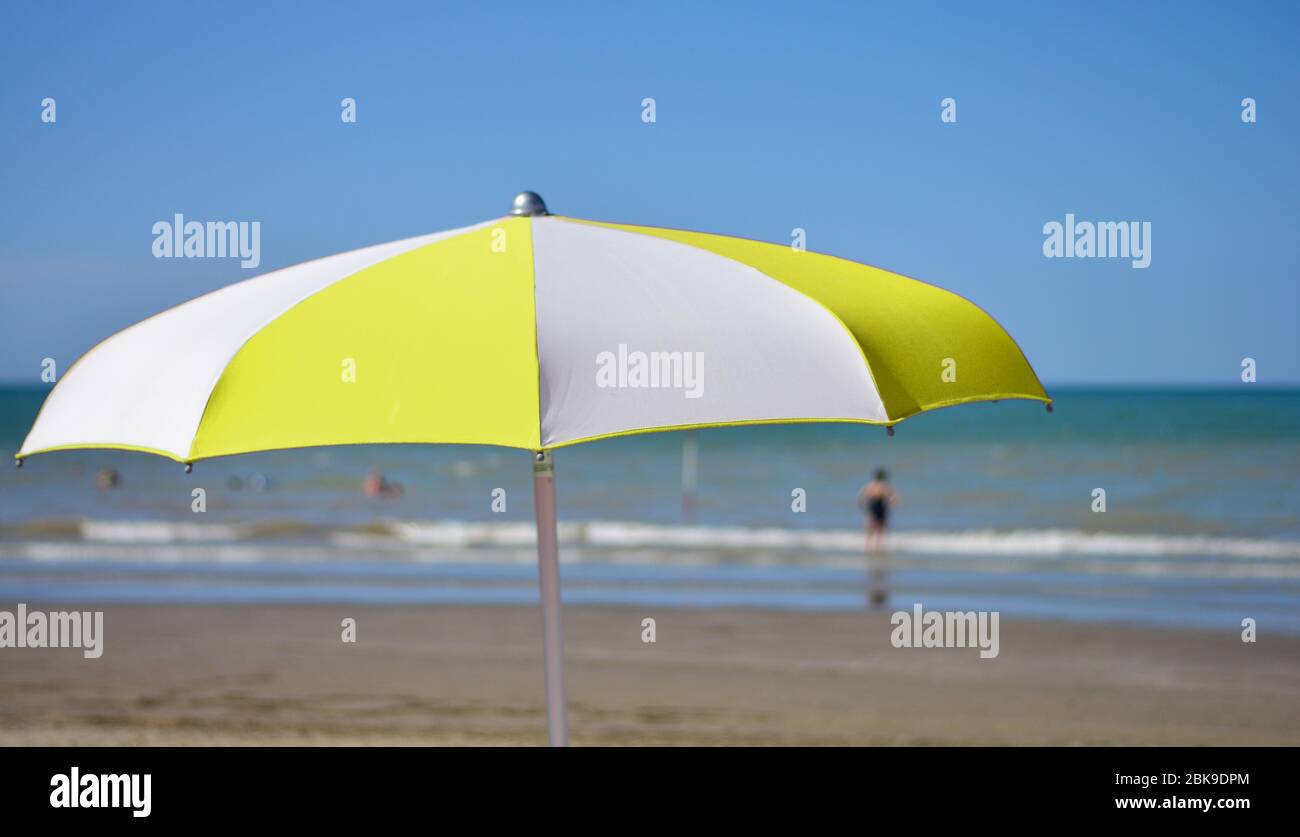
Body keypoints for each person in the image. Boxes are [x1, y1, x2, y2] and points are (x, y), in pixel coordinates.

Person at [857, 468, 900, 607]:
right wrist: (894, 502)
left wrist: (861, 506)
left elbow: (861, 496)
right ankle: (877, 547)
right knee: (879, 530)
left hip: (875, 507)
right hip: (879, 507)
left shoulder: (871, 486)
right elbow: (893, 496)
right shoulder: (883, 486)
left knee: (872, 529)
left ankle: (870, 546)